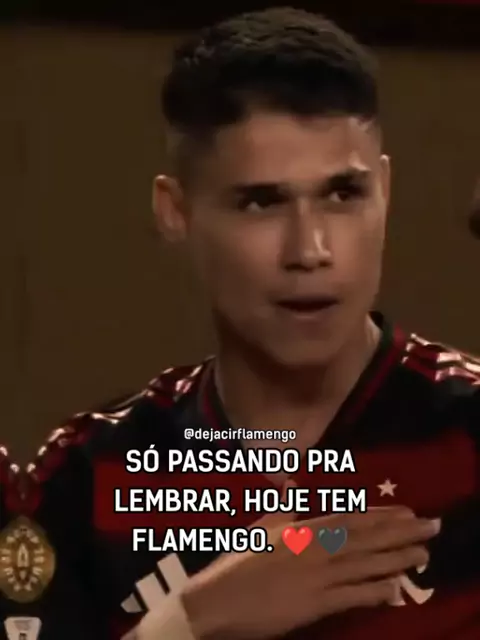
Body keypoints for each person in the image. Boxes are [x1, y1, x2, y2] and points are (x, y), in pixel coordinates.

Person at [1, 6, 480, 640]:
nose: (310, 250)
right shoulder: (89, 477)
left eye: (343, 195)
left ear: (385, 191)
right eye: (261, 202)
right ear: (175, 212)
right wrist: (186, 624)